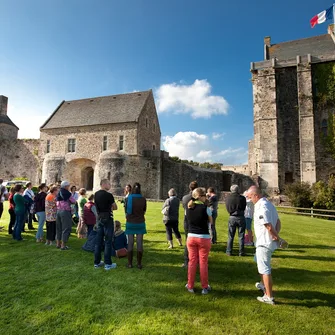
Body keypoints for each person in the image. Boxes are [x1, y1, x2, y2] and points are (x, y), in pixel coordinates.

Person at [247, 186, 282, 305]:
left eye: (251, 197)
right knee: (260, 263)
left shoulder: (261, 206)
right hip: (266, 241)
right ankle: (263, 285)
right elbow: (278, 222)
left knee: (265, 269)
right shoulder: (269, 204)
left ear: (256, 195)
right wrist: (276, 235)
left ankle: (269, 296)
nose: (250, 199)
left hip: (264, 242)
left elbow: (267, 224)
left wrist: (275, 236)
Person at [185, 187, 213, 294]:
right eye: (204, 196)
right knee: (203, 263)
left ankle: (190, 285)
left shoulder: (188, 207)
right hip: (203, 237)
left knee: (192, 262)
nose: (206, 198)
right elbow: (211, 222)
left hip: (191, 236)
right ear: (200, 197)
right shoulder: (206, 208)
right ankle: (204, 287)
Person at [94, 179, 118, 270]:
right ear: (104, 184)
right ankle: (108, 263)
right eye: (109, 184)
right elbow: (115, 207)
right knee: (108, 241)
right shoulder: (109, 195)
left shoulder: (96, 194)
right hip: (107, 218)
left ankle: (97, 262)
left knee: (98, 241)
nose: (110, 185)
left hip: (99, 218)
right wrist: (110, 207)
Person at [125, 182, 147, 269]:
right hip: (140, 222)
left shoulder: (129, 198)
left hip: (130, 222)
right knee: (139, 243)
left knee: (130, 243)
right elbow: (144, 211)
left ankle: (130, 264)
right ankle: (139, 264)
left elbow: (127, 211)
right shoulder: (143, 199)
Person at [225, 185, 247, 256]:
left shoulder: (228, 198)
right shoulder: (242, 198)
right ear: (238, 190)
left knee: (230, 235)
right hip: (240, 216)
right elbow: (244, 207)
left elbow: (227, 207)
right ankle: (241, 252)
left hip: (232, 216)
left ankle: (229, 251)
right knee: (241, 235)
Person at [181, 181, 198, 267]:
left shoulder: (185, 198)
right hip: (197, 221)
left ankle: (187, 261)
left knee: (188, 241)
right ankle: (196, 260)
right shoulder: (199, 198)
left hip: (187, 221)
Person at [56, 181, 77, 250]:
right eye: (68, 186)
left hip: (58, 211)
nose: (69, 187)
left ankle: (58, 243)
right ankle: (63, 245)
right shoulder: (67, 193)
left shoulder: (59, 192)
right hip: (65, 211)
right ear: (66, 186)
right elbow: (73, 201)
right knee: (66, 228)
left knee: (59, 228)